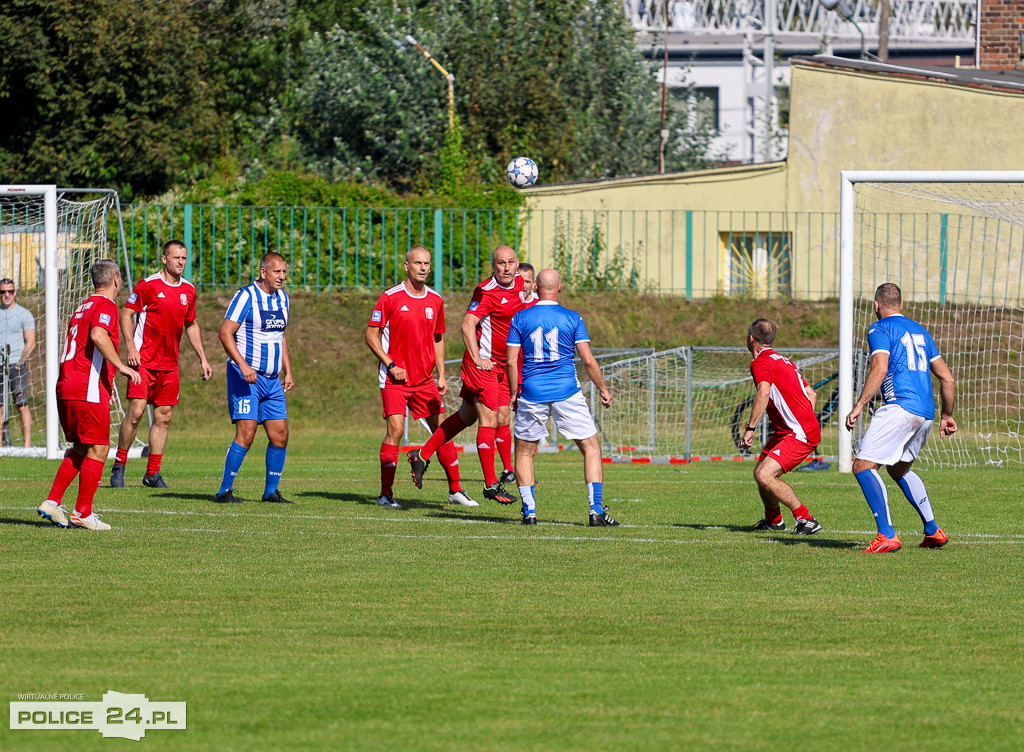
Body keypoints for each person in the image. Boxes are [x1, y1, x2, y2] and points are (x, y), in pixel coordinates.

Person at [408, 245, 525, 505]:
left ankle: (422, 454)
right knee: (490, 418)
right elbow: (467, 324)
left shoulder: (520, 283)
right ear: (493, 266)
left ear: (517, 263)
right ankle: (491, 484)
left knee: (466, 416)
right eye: (500, 263)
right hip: (482, 365)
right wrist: (477, 358)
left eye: (510, 262)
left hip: (501, 366)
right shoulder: (486, 291)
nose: (506, 268)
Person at [845, 283, 957, 553]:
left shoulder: (879, 328)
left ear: (876, 305)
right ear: (902, 304)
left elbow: (880, 367)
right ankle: (933, 531)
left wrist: (860, 404)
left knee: (862, 466)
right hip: (925, 413)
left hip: (899, 407)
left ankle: (887, 535)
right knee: (898, 469)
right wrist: (947, 415)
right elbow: (948, 378)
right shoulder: (921, 331)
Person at [365, 247, 476, 509]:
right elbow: (371, 336)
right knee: (396, 430)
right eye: (418, 263)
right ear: (406, 266)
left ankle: (456, 491)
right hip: (395, 380)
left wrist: (440, 374)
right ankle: (385, 494)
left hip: (424, 380)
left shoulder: (435, 300)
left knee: (442, 431)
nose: (423, 267)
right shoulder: (389, 298)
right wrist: (391, 364)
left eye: (427, 263)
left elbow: (438, 338)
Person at [505, 269, 616, 525]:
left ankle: (529, 511)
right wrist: (603, 389)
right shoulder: (572, 318)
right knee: (590, 449)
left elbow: (511, 362)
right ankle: (595, 510)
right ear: (560, 288)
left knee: (524, 452)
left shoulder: (520, 317)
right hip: (567, 390)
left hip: (532, 391)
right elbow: (588, 360)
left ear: (535, 288)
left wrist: (513, 392)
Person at [37, 260, 141, 530]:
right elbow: (97, 335)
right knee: (99, 448)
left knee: (82, 447)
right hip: (87, 388)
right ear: (116, 280)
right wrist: (120, 365)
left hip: (67, 385)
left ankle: (52, 502)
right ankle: (82, 513)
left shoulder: (82, 306)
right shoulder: (105, 305)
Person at [110, 241, 212, 488]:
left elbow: (192, 324)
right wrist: (131, 349)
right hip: (143, 362)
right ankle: (119, 466)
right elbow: (126, 313)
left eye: (184, 258)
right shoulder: (149, 285)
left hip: (170, 366)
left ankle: (152, 473)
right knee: (135, 413)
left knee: (163, 417)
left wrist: (203, 358)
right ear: (164, 259)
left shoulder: (188, 290)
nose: (181, 262)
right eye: (176, 257)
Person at [214, 252, 295, 504]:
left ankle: (271, 492)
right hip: (246, 377)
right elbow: (225, 333)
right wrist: (243, 365)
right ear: (263, 272)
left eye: (284, 272)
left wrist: (288, 370)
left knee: (280, 435)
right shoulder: (246, 296)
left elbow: (280, 336)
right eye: (276, 272)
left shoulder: (283, 299)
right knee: (246, 434)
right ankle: (224, 491)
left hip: (272, 380)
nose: (281, 277)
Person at [739, 319, 823, 535]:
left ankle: (806, 518)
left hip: (798, 432)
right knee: (760, 472)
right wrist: (803, 419)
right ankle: (774, 520)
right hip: (793, 429)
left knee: (765, 475)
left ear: (751, 339)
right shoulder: (784, 361)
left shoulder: (761, 362)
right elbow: (811, 394)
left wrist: (750, 428)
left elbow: (763, 392)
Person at [0, 278, 36, 447]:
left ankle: (27, 446)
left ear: (15, 292)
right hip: (0, 366)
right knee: (0, 407)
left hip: (16, 365)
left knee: (22, 405)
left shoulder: (24, 314)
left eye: (10, 291)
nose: (7, 295)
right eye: (3, 292)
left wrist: (20, 362)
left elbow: (31, 341)